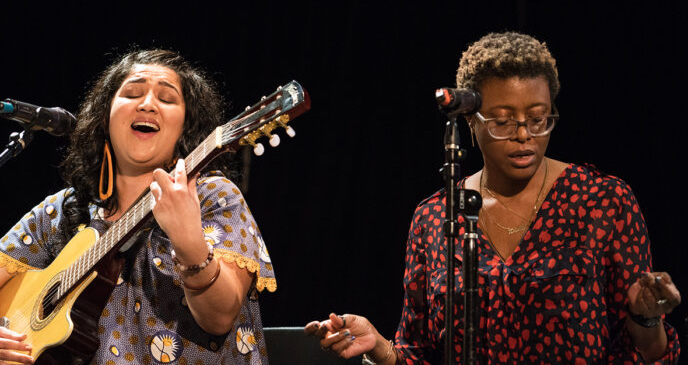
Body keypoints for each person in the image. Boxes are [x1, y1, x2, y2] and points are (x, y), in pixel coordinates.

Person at [305, 32, 681, 363]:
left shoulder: (602, 201)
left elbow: (647, 352)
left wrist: (646, 319)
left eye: (538, 118)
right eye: (503, 121)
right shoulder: (435, 218)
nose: (524, 135)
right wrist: (382, 349)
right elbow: (418, 352)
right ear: (471, 119)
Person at [0, 50, 276, 364]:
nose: (147, 104)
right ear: (105, 117)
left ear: (185, 126)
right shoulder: (62, 210)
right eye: (132, 93)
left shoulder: (210, 195)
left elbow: (219, 318)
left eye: (168, 99)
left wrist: (189, 242)